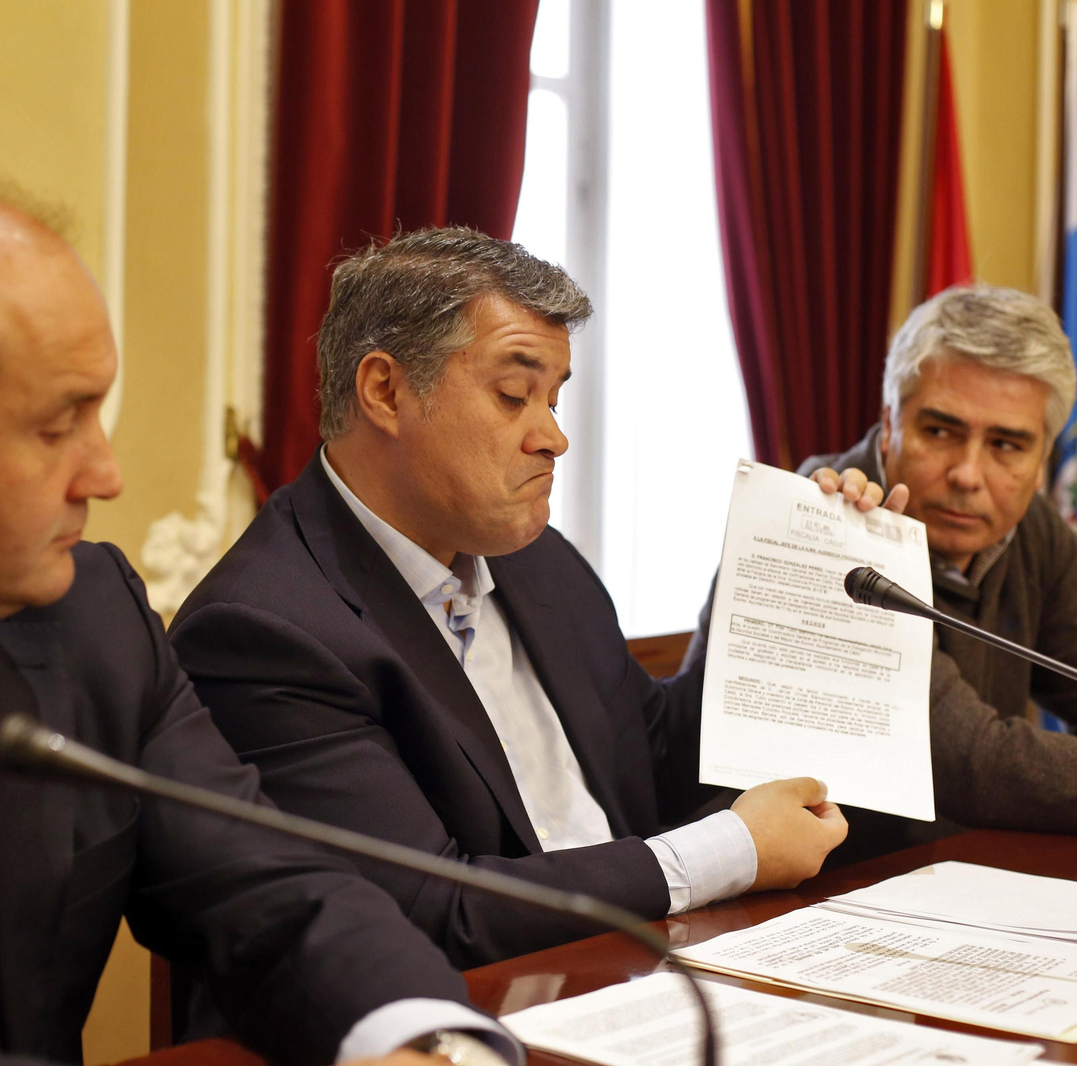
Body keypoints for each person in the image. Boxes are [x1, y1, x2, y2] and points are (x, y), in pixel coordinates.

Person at [0, 167, 517, 1066]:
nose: (106, 475)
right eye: (60, 426)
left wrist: (419, 1041)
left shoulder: (89, 614)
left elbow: (272, 887)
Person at [171, 227, 861, 971]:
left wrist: (797, 570)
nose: (554, 437)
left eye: (555, 399)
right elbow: (430, 911)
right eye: (513, 395)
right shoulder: (263, 629)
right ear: (385, 390)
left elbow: (655, 756)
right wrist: (729, 850)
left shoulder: (539, 561)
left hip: (646, 970)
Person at [687, 283, 1077, 857]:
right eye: (940, 431)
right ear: (889, 422)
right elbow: (971, 761)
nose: (968, 474)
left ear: (1045, 458)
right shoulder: (818, 518)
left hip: (944, 878)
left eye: (1006, 445)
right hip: (777, 895)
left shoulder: (1030, 530)